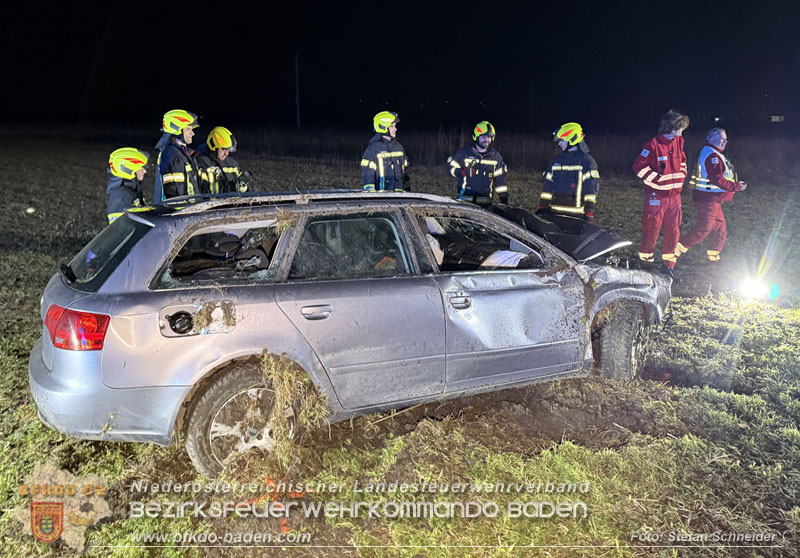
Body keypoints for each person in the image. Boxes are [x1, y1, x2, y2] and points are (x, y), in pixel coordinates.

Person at [676, 128, 747, 263]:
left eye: (725, 139)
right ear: (711, 138)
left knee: (720, 226)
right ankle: (678, 248)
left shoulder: (713, 153)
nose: (725, 142)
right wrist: (736, 186)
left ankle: (713, 255)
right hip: (707, 198)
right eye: (721, 139)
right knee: (706, 226)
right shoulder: (712, 156)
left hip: (712, 198)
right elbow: (717, 179)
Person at [632, 109, 690, 274]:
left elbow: (683, 161)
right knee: (651, 230)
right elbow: (639, 167)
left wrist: (682, 174)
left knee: (673, 231)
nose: (682, 132)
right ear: (672, 127)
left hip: (675, 197)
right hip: (656, 196)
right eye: (681, 128)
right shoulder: (652, 145)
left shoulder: (679, 142)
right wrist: (658, 180)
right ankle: (646, 264)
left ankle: (668, 266)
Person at [537, 122, 599, 220]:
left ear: (572, 139)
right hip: (554, 214)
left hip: (577, 216)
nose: (559, 143)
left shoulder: (587, 162)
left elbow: (591, 190)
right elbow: (547, 187)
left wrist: (589, 212)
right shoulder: (555, 161)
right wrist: (542, 207)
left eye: (562, 140)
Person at [446, 121, 509, 207]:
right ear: (476, 137)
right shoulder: (464, 153)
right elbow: (449, 169)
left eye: (489, 137)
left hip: (485, 202)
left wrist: (503, 199)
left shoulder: (496, 157)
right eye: (483, 137)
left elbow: (501, 179)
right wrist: (462, 172)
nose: (486, 140)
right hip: (464, 200)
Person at [154, 109, 201, 202]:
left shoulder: (183, 154)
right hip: (182, 210)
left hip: (191, 209)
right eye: (188, 129)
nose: (192, 133)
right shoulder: (171, 155)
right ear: (177, 131)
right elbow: (174, 195)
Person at [361, 111, 409, 192]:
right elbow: (367, 175)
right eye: (392, 126)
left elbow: (405, 173)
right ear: (383, 127)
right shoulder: (372, 149)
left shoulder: (399, 147)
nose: (395, 129)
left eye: (395, 126)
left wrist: (408, 190)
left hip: (399, 196)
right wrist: (370, 194)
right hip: (380, 196)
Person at [196, 126, 252, 194]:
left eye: (228, 150)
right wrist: (229, 188)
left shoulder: (232, 164)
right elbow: (201, 189)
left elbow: (245, 191)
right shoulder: (200, 164)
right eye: (223, 149)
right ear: (213, 146)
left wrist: (245, 187)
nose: (226, 153)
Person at [106, 148, 148, 223]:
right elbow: (119, 228)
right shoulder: (120, 197)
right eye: (141, 168)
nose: (145, 171)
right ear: (127, 170)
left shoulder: (130, 190)